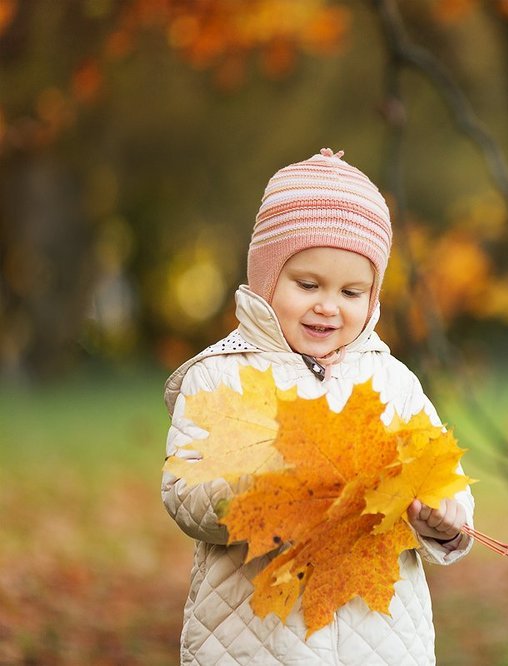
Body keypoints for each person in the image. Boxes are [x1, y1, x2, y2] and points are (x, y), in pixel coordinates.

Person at [162, 148, 474, 665]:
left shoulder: (390, 382)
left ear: (373, 298)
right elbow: (183, 492)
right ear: (266, 279)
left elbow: (443, 478)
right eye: (308, 285)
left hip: (379, 641)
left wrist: (445, 520)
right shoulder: (221, 377)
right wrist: (268, 492)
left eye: (352, 292)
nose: (328, 306)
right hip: (256, 643)